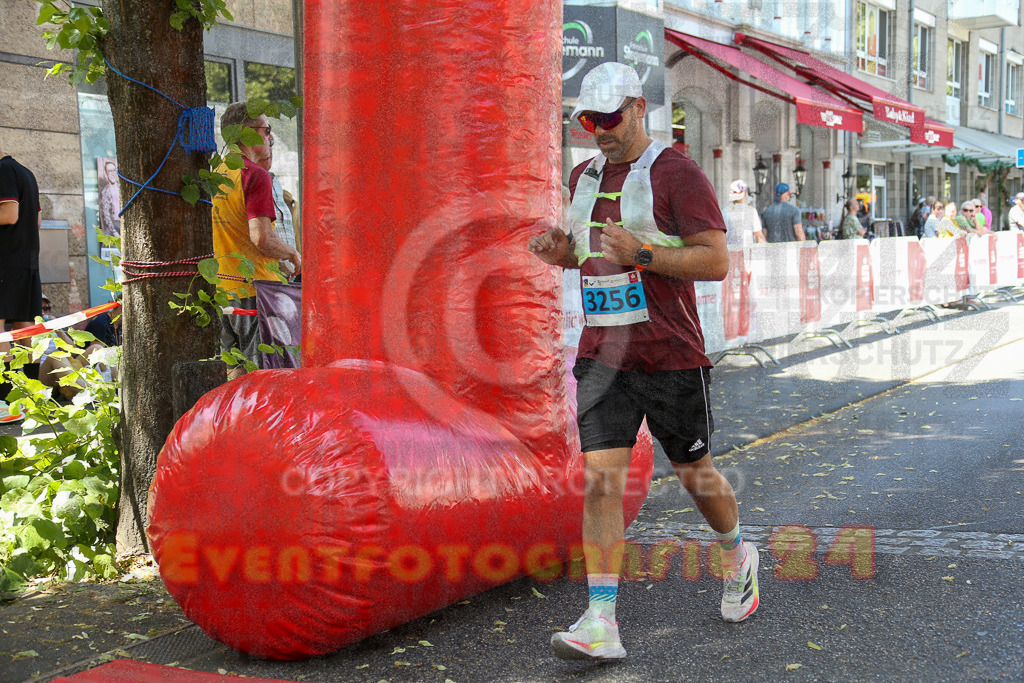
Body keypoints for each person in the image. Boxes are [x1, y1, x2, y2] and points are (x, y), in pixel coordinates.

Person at [527, 62, 758, 662]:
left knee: (695, 475)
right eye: (589, 120)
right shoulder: (584, 176)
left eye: (609, 117)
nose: (600, 130)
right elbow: (587, 256)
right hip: (603, 356)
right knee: (601, 480)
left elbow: (715, 262)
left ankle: (737, 555)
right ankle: (600, 620)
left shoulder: (678, 173)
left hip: (671, 353)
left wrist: (645, 253)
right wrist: (560, 253)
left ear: (637, 108)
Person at [212, 103, 302, 375]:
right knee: (265, 380)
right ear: (248, 133)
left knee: (235, 380)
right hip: (256, 294)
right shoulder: (255, 174)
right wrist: (292, 254)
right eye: (266, 129)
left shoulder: (217, 174)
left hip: (223, 293)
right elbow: (261, 238)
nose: (270, 137)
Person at [0, 146, 42, 424]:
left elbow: (9, 214)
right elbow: (36, 221)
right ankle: (31, 400)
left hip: (4, 261)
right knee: (25, 327)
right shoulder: (26, 173)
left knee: (1, 328)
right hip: (27, 261)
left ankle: (4, 403)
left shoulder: (3, 170)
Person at [723, 179, 764, 247]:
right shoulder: (750, 211)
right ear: (745, 194)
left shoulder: (724, 212)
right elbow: (759, 236)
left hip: (729, 251)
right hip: (746, 251)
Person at [97, 159, 121, 238]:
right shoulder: (105, 191)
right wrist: (114, 232)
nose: (112, 174)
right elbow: (106, 215)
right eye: (110, 171)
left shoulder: (121, 189)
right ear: (106, 174)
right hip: (113, 225)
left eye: (114, 171)